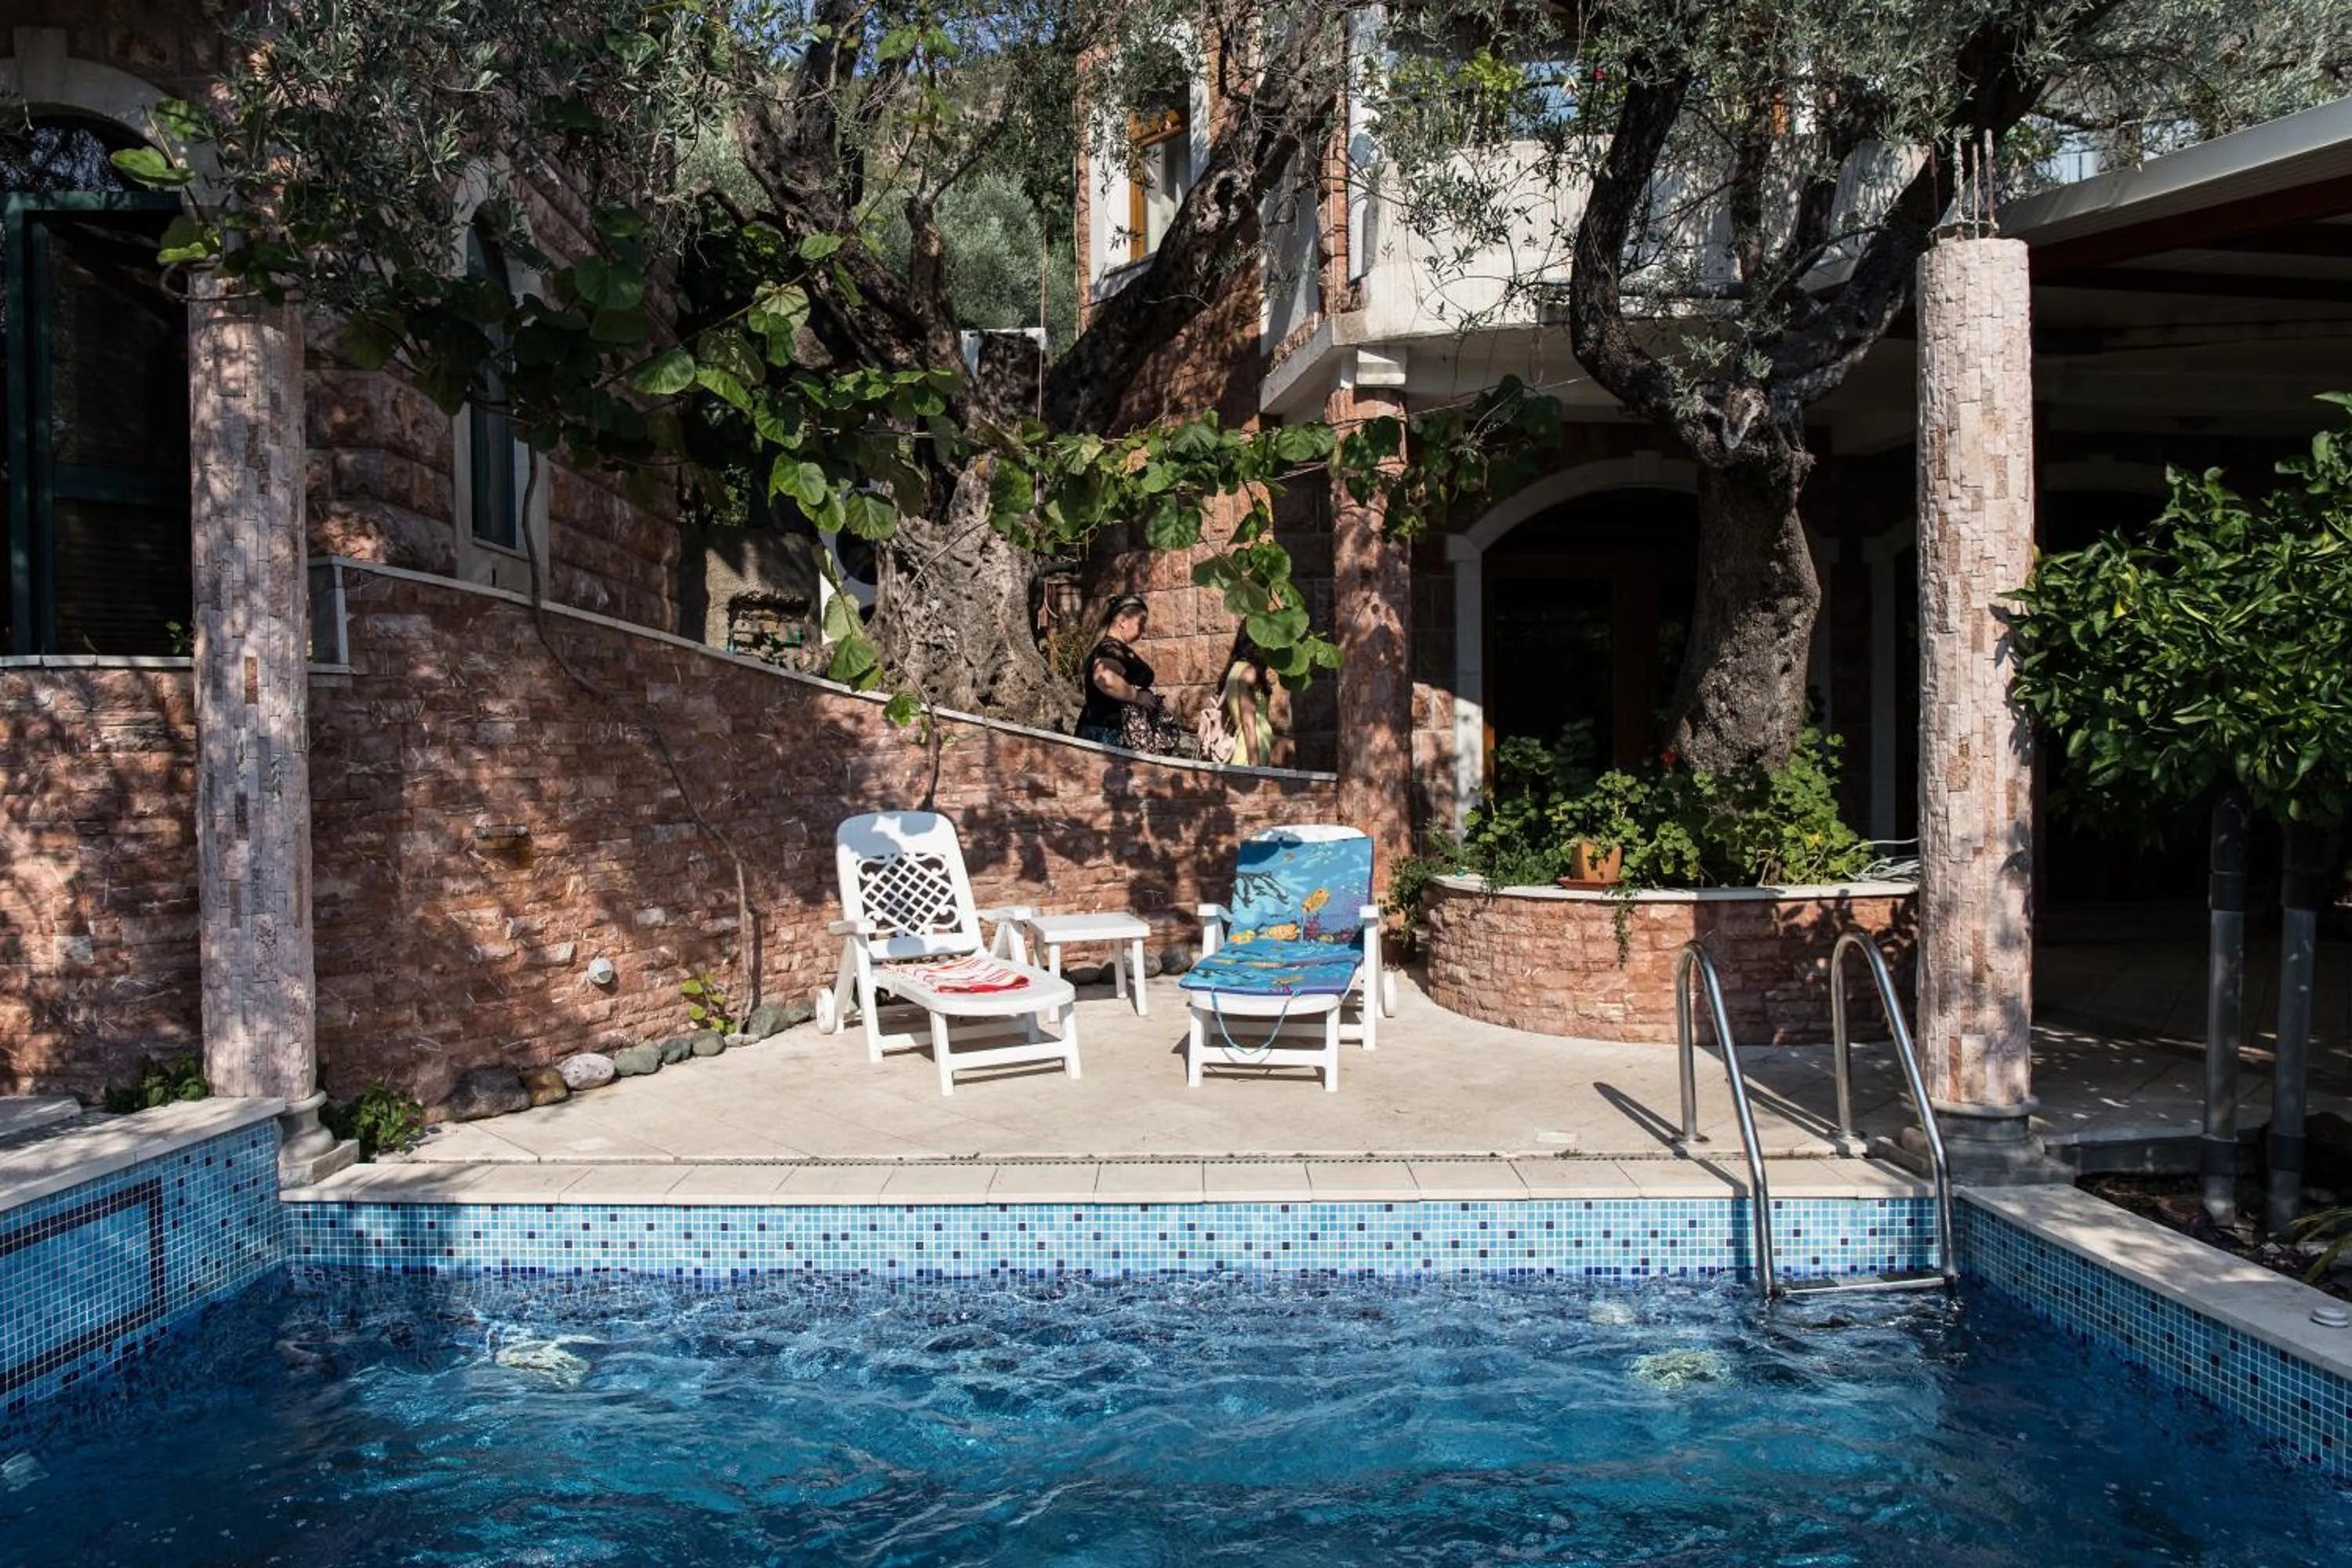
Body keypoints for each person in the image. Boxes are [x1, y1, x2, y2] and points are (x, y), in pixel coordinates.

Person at [1075, 594, 1183, 753]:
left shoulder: (1112, 648)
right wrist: (1137, 696)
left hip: (1107, 733)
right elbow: (1104, 678)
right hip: (1109, 737)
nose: (1143, 630)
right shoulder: (1110, 649)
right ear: (1123, 621)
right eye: (1141, 623)